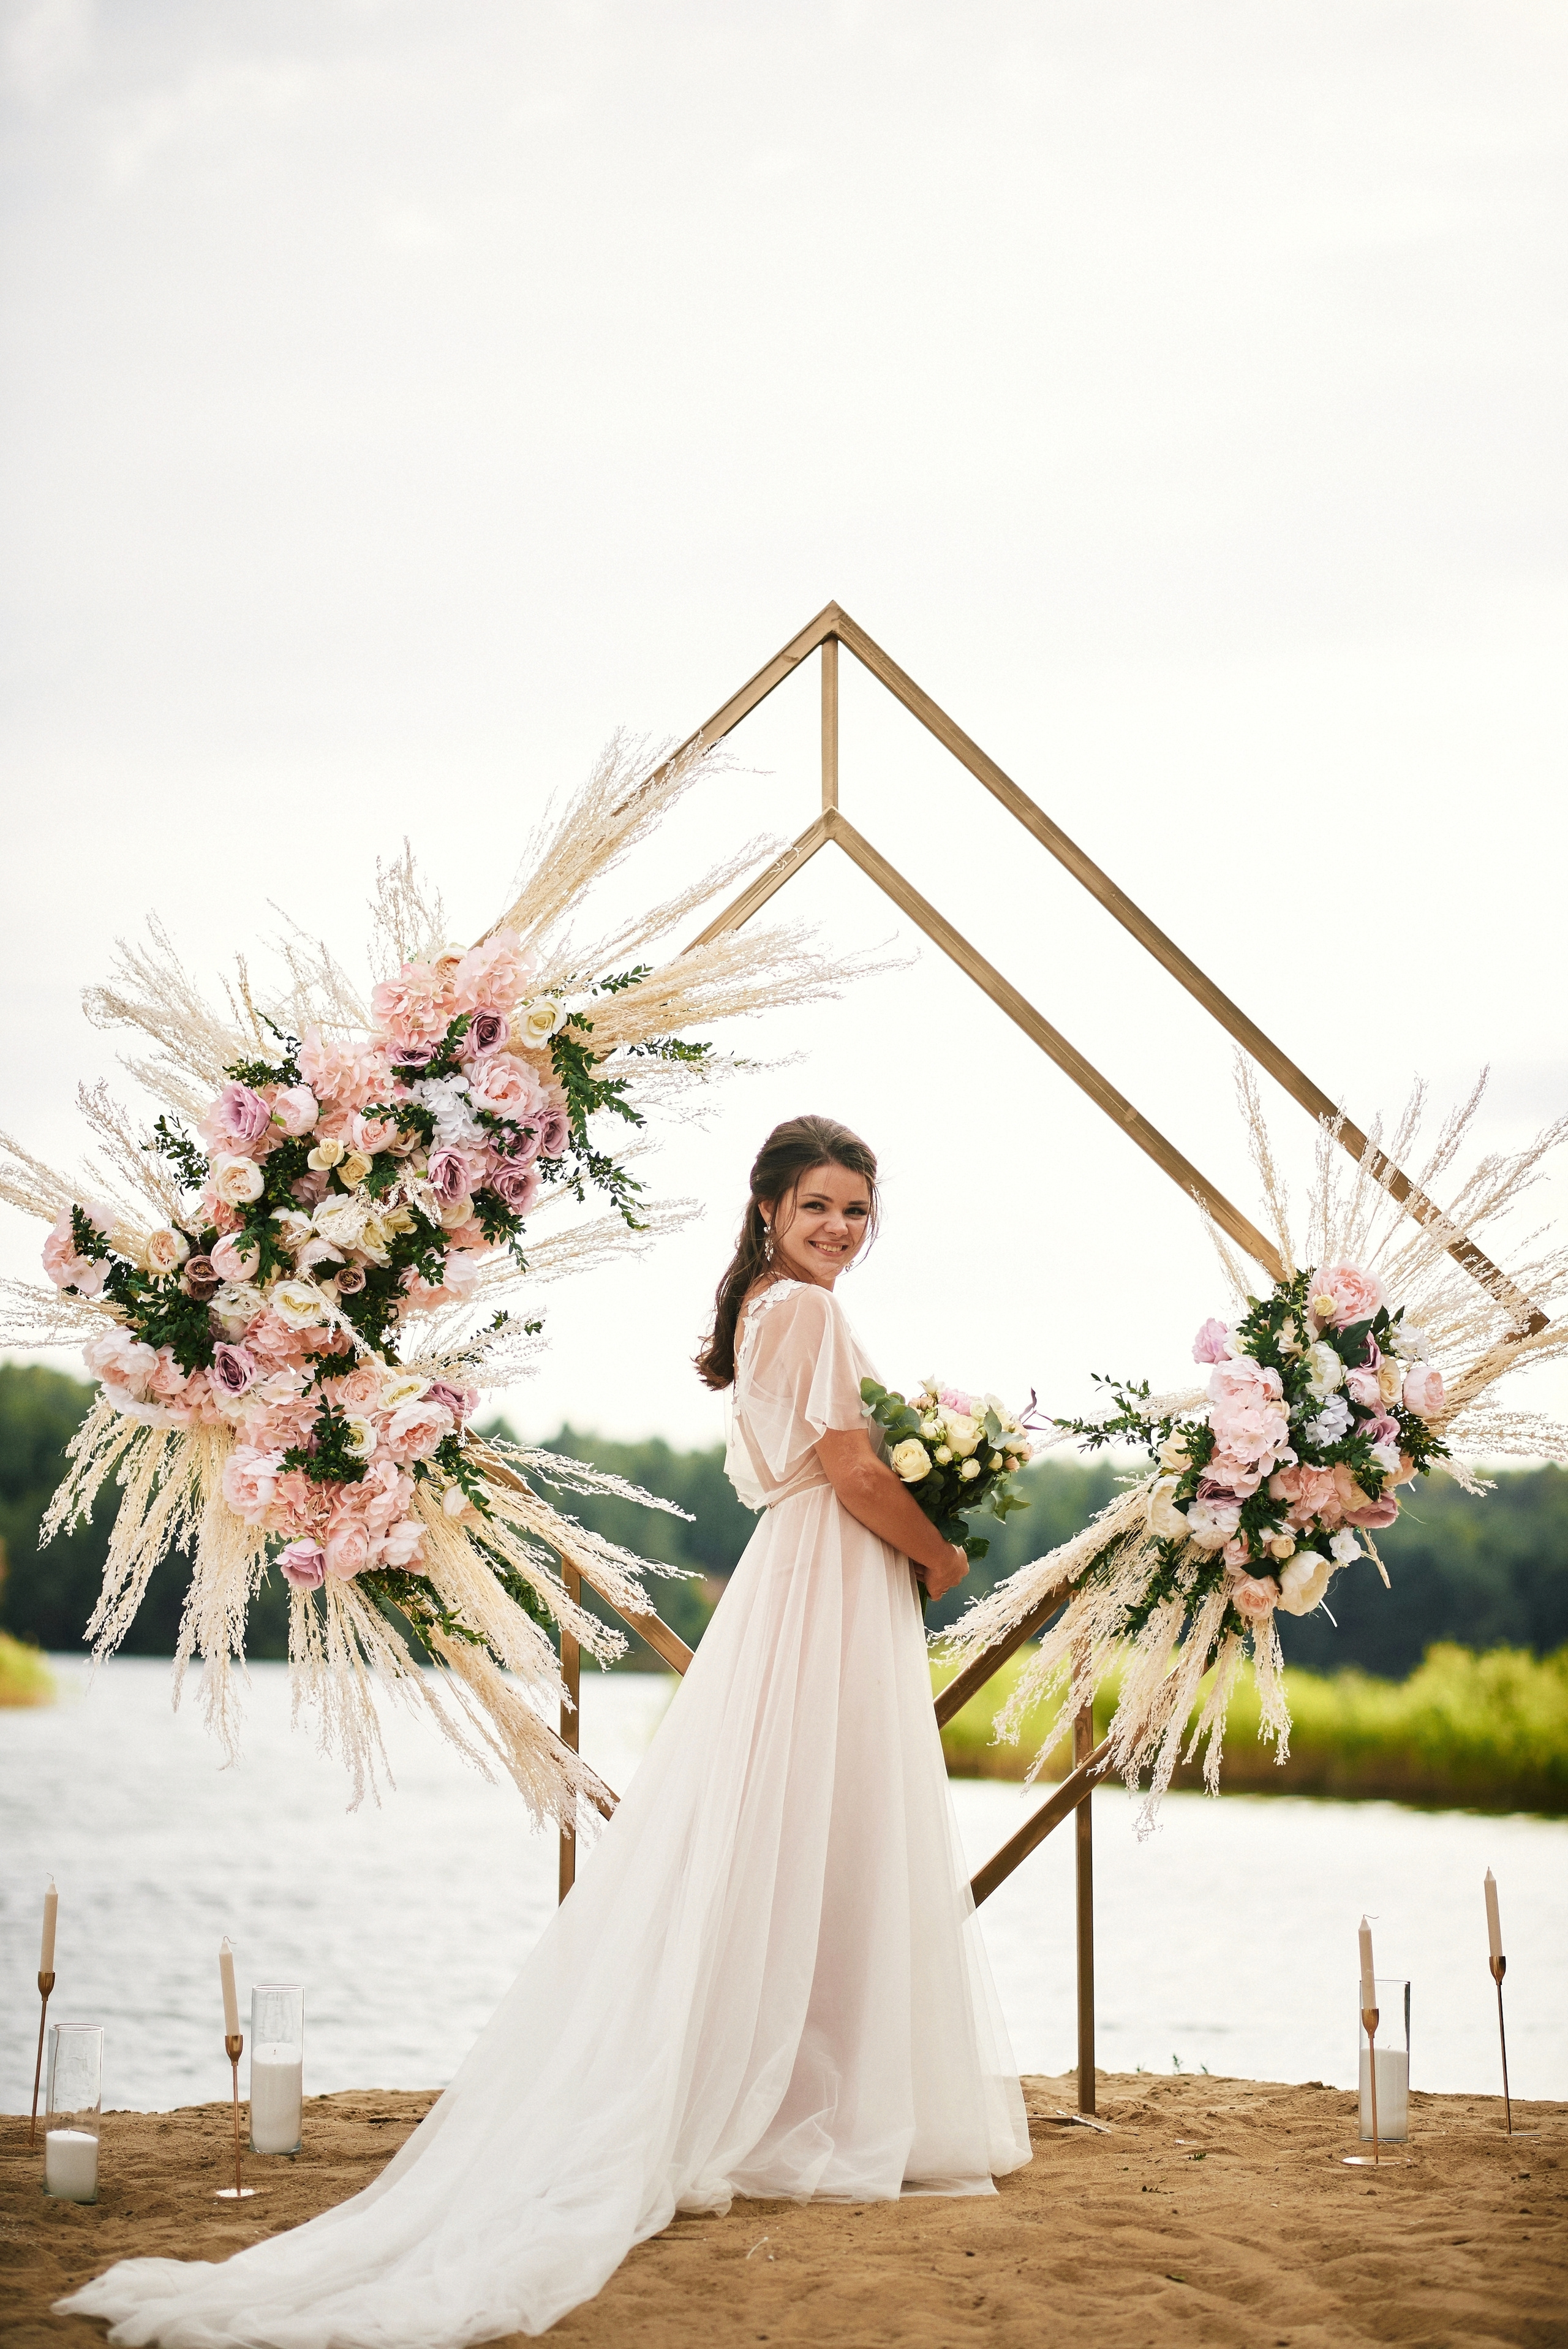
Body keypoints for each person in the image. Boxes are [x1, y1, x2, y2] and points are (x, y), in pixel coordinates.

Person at [61, 1113, 1030, 2347]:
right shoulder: (809, 1311)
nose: (837, 1229)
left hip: (796, 1576)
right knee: (828, 1815)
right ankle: (807, 2093)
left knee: (784, 1820)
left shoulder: (758, 1314)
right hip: (826, 1569)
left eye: (854, 1209)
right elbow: (846, 1468)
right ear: (768, 1214)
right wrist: (938, 1545)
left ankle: (792, 2078)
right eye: (815, 1208)